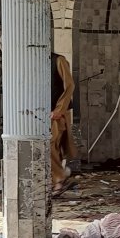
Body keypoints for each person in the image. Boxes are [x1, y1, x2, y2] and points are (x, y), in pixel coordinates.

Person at [50, 52, 77, 196]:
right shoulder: (35, 63)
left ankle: (60, 178)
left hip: (56, 112)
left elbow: (69, 85)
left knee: (50, 145)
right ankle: (57, 180)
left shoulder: (58, 60)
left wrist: (59, 109)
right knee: (53, 147)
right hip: (42, 112)